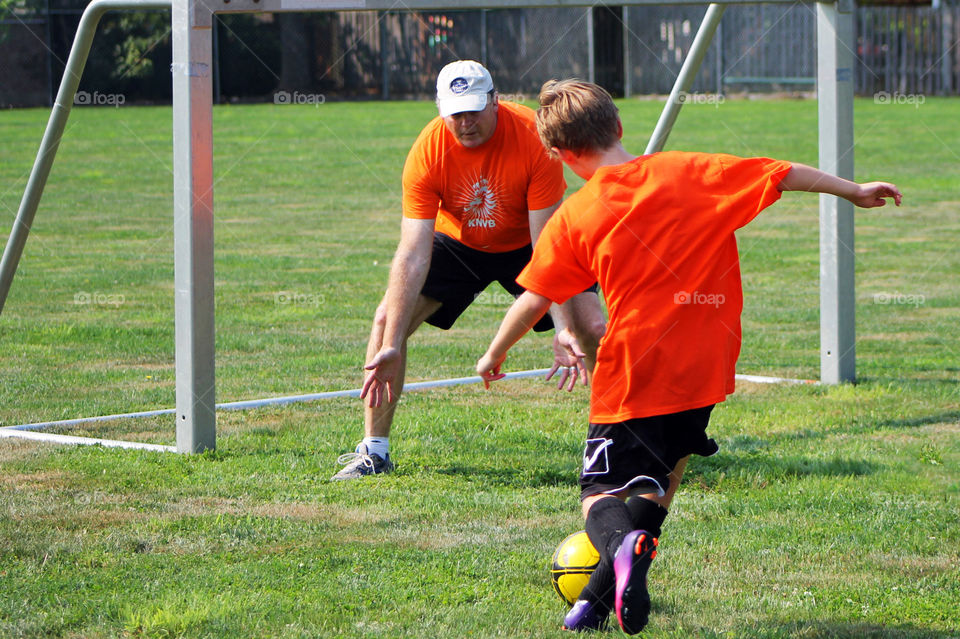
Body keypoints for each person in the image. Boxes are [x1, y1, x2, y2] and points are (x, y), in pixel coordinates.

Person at [477, 79, 902, 633]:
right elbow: (783, 172)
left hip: (636, 370)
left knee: (600, 493)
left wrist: (492, 354)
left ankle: (619, 549)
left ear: (559, 155)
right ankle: (598, 604)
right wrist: (852, 190)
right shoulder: (693, 170)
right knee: (658, 482)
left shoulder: (579, 214)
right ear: (619, 126)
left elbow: (536, 296)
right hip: (707, 365)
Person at [332, 62, 606, 481]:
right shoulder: (427, 151)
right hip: (459, 244)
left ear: (495, 101)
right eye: (456, 113)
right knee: (388, 319)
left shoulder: (534, 137)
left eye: (474, 110)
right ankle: (375, 452)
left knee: (591, 324)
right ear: (441, 109)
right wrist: (391, 340)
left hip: (526, 242)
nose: (465, 123)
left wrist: (562, 326)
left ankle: (620, 439)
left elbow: (546, 244)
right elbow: (412, 253)